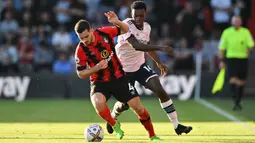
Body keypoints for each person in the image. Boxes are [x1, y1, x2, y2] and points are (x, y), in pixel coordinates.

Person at [74, 11, 166, 141]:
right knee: (97, 103)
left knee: (138, 108)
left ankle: (152, 136)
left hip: (119, 77)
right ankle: (115, 125)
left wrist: (117, 22)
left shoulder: (104, 32)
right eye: (80, 38)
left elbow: (126, 30)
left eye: (86, 36)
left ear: (91, 30)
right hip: (99, 81)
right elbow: (80, 73)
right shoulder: (80, 51)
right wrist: (96, 68)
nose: (84, 40)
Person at [106, 1, 192, 135]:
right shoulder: (125, 25)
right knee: (125, 105)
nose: (138, 19)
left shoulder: (147, 27)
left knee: (160, 90)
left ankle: (176, 125)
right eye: (136, 16)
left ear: (145, 14)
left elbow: (146, 45)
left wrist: (158, 62)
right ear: (132, 14)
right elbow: (136, 45)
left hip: (140, 66)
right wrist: (161, 47)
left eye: (141, 15)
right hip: (123, 70)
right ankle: (113, 116)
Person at [218, 15, 254, 110]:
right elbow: (222, 48)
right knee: (233, 79)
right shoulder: (227, 32)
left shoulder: (245, 32)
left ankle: (238, 101)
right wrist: (221, 60)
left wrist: (249, 50)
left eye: (238, 21)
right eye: (235, 21)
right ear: (232, 22)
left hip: (243, 59)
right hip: (231, 59)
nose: (237, 23)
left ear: (241, 22)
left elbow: (251, 44)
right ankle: (234, 100)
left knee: (242, 81)